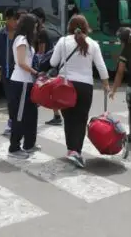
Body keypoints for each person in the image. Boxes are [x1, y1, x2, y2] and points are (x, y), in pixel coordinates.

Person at [50, 14, 110, 168]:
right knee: (81, 119)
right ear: (86, 27)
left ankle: (71, 150)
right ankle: (77, 150)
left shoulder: (62, 41)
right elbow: (101, 66)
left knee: (69, 118)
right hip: (85, 86)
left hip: (65, 85)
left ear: (69, 27)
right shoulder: (93, 44)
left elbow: (52, 62)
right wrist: (105, 84)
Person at [7, 13, 41, 159]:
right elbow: (21, 62)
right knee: (19, 116)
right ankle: (14, 148)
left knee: (31, 114)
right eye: (34, 27)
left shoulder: (26, 40)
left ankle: (29, 143)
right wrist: (35, 72)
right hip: (21, 83)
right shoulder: (21, 40)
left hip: (28, 83)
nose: (35, 30)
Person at [0, 8, 25, 135]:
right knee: (10, 100)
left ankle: (19, 123)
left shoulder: (21, 36)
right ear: (7, 19)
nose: (16, 22)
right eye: (13, 19)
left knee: (18, 100)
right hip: (6, 73)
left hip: (18, 72)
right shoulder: (1, 35)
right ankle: (11, 122)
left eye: (17, 19)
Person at [31, 7, 61, 127]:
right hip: (47, 65)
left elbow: (41, 52)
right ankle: (57, 115)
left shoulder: (42, 32)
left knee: (45, 90)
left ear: (40, 19)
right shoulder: (41, 31)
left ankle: (36, 108)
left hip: (45, 66)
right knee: (49, 91)